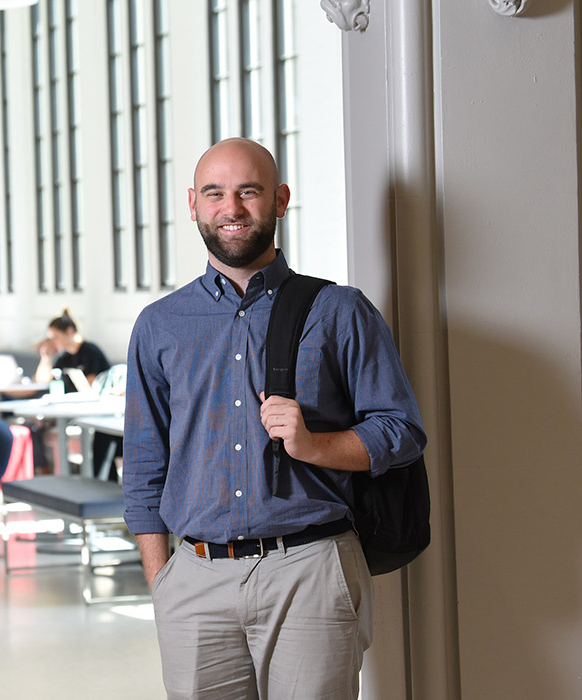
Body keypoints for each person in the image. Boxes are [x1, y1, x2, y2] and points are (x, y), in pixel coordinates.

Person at [122, 138, 426, 699]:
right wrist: (162, 578)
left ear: (281, 200)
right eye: (215, 193)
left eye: (249, 192)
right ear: (193, 204)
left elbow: (401, 430)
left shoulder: (340, 311)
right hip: (194, 577)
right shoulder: (160, 324)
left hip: (309, 568)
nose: (231, 208)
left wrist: (314, 446)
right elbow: (145, 461)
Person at [33, 310, 110, 392]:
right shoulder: (64, 357)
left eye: (55, 337)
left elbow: (92, 388)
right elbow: (42, 381)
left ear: (69, 331)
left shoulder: (91, 351)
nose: (53, 342)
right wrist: (46, 358)